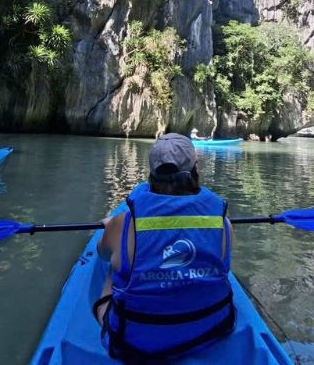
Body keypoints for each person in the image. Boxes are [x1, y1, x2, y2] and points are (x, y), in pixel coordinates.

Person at [94, 133, 235, 360]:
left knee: (112, 268)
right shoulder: (223, 224)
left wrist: (110, 227)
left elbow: (101, 252)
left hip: (133, 340)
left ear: (152, 173)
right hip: (209, 330)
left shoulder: (124, 224)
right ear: (195, 169)